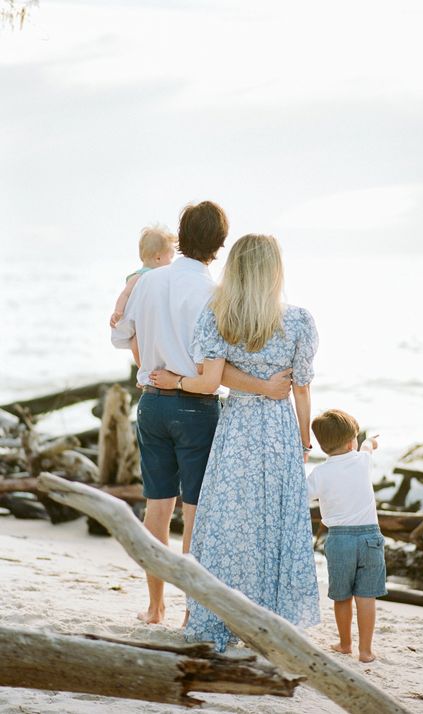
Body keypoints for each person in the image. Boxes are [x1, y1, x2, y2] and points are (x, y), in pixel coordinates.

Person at [111, 205, 293, 625]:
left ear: (180, 235)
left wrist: (149, 362)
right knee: (194, 511)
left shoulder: (148, 280)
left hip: (151, 403)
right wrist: (265, 386)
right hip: (196, 408)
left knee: (156, 507)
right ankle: (191, 609)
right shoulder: (216, 294)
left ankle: (155, 605)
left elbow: (121, 335)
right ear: (219, 246)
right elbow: (217, 370)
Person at [150, 233, 320, 651]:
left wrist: (176, 381)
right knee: (275, 526)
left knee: (228, 525)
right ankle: (271, 624)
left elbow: (213, 379)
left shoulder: (220, 316)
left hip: (237, 429)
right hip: (278, 432)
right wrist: (302, 442)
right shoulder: (298, 320)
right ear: (274, 270)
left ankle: (221, 614)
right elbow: (301, 389)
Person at [307, 409, 387, 663]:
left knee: (342, 596)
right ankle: (366, 651)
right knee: (366, 596)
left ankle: (344, 644)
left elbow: (300, 497)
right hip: (370, 538)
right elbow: (368, 448)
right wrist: (370, 441)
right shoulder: (363, 461)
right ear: (352, 442)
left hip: (339, 541)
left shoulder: (319, 473)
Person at [110, 225, 176, 366]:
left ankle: (146, 371)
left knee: (144, 345)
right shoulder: (139, 277)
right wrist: (118, 311)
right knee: (136, 343)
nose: (171, 262)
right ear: (158, 258)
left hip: (150, 321)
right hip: (142, 322)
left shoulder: (158, 277)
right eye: (170, 258)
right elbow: (124, 295)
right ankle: (143, 371)